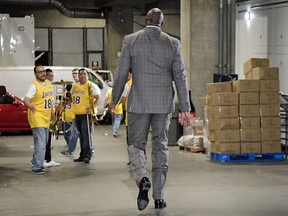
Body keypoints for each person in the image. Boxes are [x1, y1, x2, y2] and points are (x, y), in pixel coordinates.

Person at [110, 8, 191, 211]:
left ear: (145, 21)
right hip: (163, 105)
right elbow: (181, 76)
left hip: (139, 103)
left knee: (136, 144)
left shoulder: (131, 40)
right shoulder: (173, 43)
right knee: (160, 146)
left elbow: (121, 73)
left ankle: (142, 178)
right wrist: (184, 107)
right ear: (162, 24)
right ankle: (159, 197)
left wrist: (114, 100)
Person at [24, 65, 54, 174]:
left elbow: (50, 99)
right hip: (37, 117)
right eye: (39, 72)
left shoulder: (48, 84)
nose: (43, 73)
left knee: (44, 142)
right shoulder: (34, 85)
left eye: (43, 71)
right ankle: (37, 166)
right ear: (35, 74)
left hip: (46, 117)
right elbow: (26, 100)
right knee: (41, 144)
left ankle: (35, 161)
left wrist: (52, 112)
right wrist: (30, 106)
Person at [71, 68, 101, 163]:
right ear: (78, 76)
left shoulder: (91, 86)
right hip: (77, 114)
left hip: (85, 115)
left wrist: (92, 108)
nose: (82, 76)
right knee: (81, 136)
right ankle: (82, 155)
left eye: (84, 74)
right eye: (80, 74)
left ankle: (87, 155)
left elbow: (98, 98)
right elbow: (73, 98)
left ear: (87, 76)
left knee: (86, 136)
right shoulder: (75, 86)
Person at [43, 68, 60, 167]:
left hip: (50, 118)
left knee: (49, 140)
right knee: (43, 141)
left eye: (52, 76)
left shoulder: (49, 87)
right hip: (44, 118)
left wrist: (54, 115)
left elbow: (51, 104)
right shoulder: (44, 87)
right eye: (50, 76)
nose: (51, 78)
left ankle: (48, 159)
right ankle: (41, 159)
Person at [61, 68, 79, 156]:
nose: (74, 75)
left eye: (76, 73)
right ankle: (70, 148)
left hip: (76, 114)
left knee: (76, 133)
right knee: (68, 133)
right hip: (68, 115)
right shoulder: (74, 86)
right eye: (73, 73)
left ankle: (71, 151)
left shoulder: (81, 85)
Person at [119, 72, 132, 165]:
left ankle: (132, 159)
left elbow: (123, 100)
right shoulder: (141, 82)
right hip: (142, 116)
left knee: (130, 139)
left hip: (131, 116)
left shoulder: (128, 85)